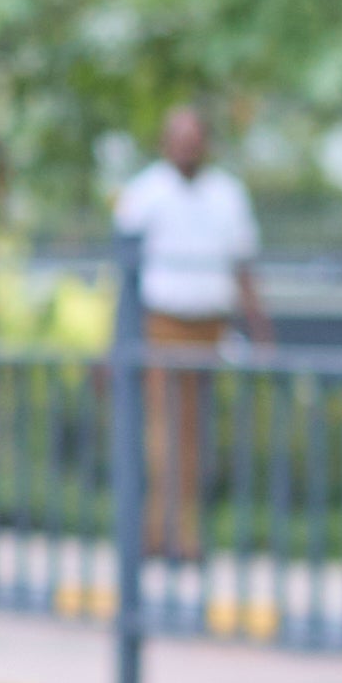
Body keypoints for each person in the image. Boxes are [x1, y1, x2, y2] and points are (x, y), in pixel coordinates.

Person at [112, 102, 273, 560]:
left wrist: (261, 330)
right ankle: (164, 533)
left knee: (193, 433)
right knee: (163, 432)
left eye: (194, 140)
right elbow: (124, 274)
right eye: (179, 140)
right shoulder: (145, 193)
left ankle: (175, 531)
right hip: (161, 323)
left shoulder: (228, 194)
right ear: (165, 144)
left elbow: (244, 268)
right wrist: (117, 339)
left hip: (210, 325)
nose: (186, 149)